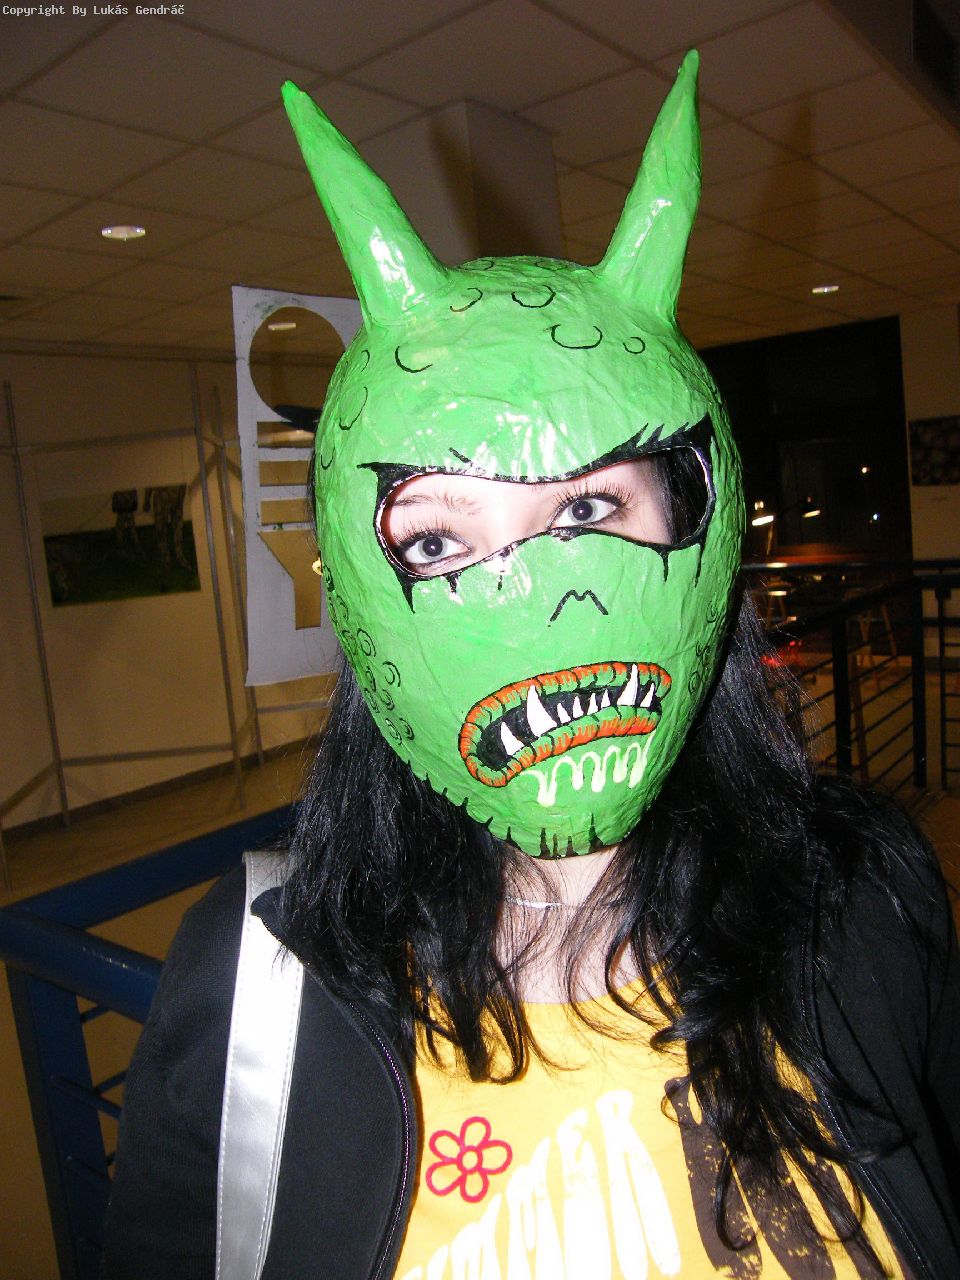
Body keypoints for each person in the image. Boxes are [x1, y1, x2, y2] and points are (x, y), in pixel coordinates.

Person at [102, 54, 960, 1279]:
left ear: (698, 521)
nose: (544, 603)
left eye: (588, 510)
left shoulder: (870, 898)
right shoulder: (252, 992)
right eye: (439, 543)